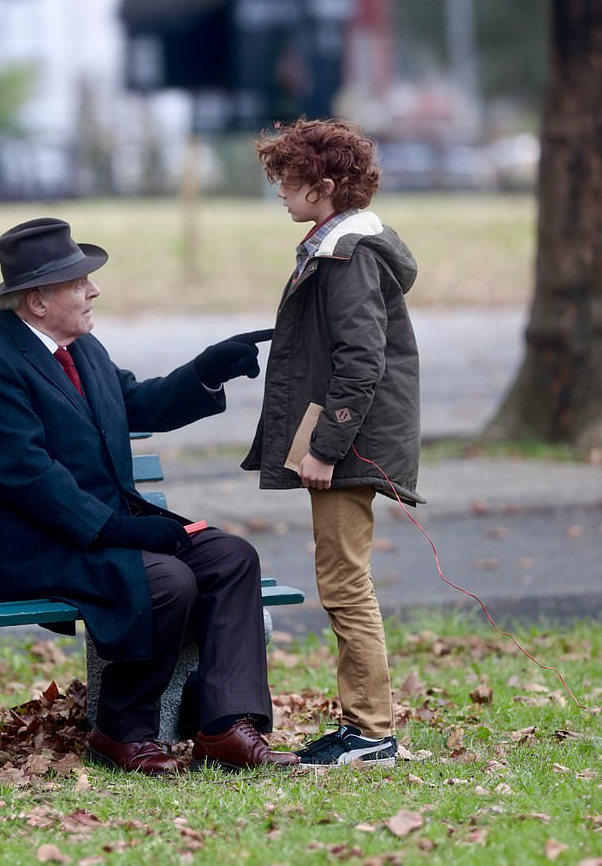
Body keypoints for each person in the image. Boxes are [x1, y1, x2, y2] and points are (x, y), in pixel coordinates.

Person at [0, 217, 298, 775]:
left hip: (107, 534)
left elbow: (137, 403)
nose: (93, 290)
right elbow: (26, 474)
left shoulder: (83, 349)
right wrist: (120, 530)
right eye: (78, 283)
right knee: (167, 580)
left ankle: (225, 727)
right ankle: (121, 729)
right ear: (37, 300)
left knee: (231, 558)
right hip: (40, 547)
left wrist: (207, 371)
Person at [243, 118, 424, 768]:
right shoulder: (334, 245)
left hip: (349, 443)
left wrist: (323, 447)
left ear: (322, 186)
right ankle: (361, 725)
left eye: (287, 182)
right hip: (347, 437)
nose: (280, 194)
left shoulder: (347, 254)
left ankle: (370, 731)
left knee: (345, 583)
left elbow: (361, 358)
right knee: (343, 580)